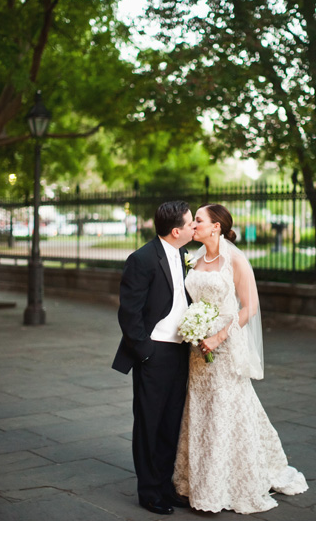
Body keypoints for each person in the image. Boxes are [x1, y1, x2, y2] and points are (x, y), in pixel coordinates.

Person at [173, 204, 308, 513]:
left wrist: (218, 336)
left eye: (199, 220)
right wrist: (194, 329)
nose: (194, 224)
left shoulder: (234, 260)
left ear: (216, 227)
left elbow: (250, 307)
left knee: (225, 409)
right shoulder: (193, 260)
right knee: (201, 410)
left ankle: (226, 483)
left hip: (223, 346)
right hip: (197, 349)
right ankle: (199, 481)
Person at [112, 201, 194, 515]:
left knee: (171, 422)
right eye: (189, 224)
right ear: (176, 231)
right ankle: (148, 491)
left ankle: (165, 486)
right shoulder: (142, 259)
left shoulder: (185, 255)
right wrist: (145, 352)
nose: (193, 228)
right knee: (149, 423)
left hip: (180, 352)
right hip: (154, 354)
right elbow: (129, 312)